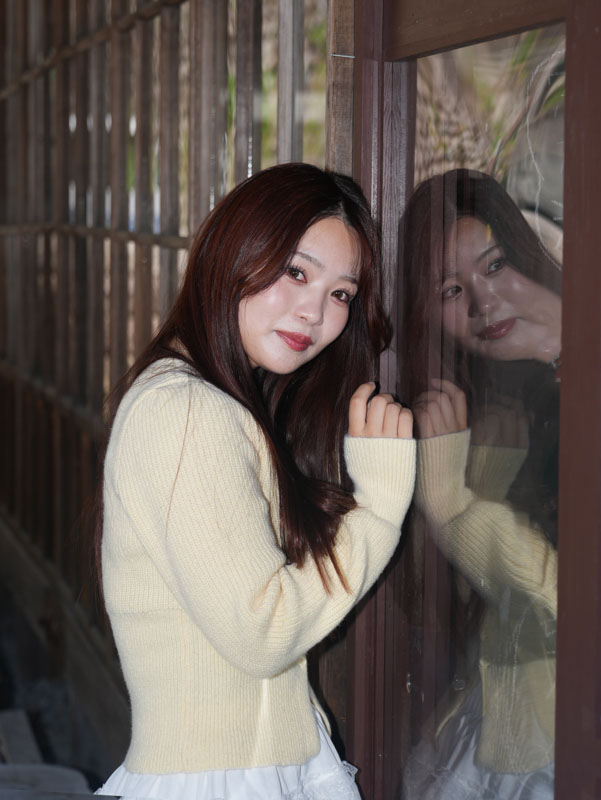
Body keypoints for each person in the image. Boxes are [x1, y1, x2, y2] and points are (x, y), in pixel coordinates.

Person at [94, 162, 416, 800]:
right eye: (295, 272)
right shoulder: (186, 410)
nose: (314, 312)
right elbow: (264, 632)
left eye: (341, 294)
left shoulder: (208, 400)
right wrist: (379, 509)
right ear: (232, 255)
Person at [398, 169, 560, 799]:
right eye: (450, 289)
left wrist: (453, 503)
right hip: (511, 713)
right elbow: (480, 596)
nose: (481, 302)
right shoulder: (507, 393)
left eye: (495, 266)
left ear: (530, 253)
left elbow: (561, 592)